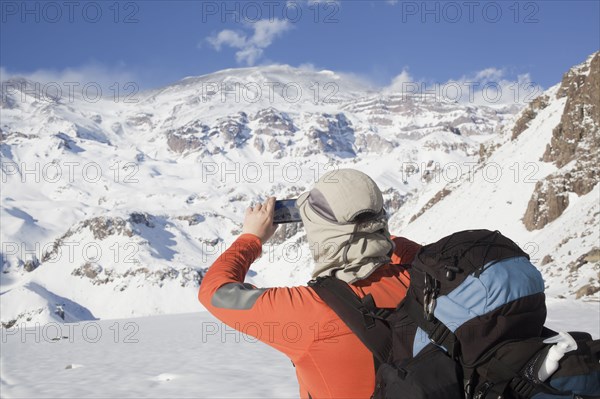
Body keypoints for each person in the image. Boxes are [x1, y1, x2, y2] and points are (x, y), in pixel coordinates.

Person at [199, 169, 421, 398]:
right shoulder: (426, 280)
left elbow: (215, 291)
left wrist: (251, 238)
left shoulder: (309, 311)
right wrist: (373, 231)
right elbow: (410, 251)